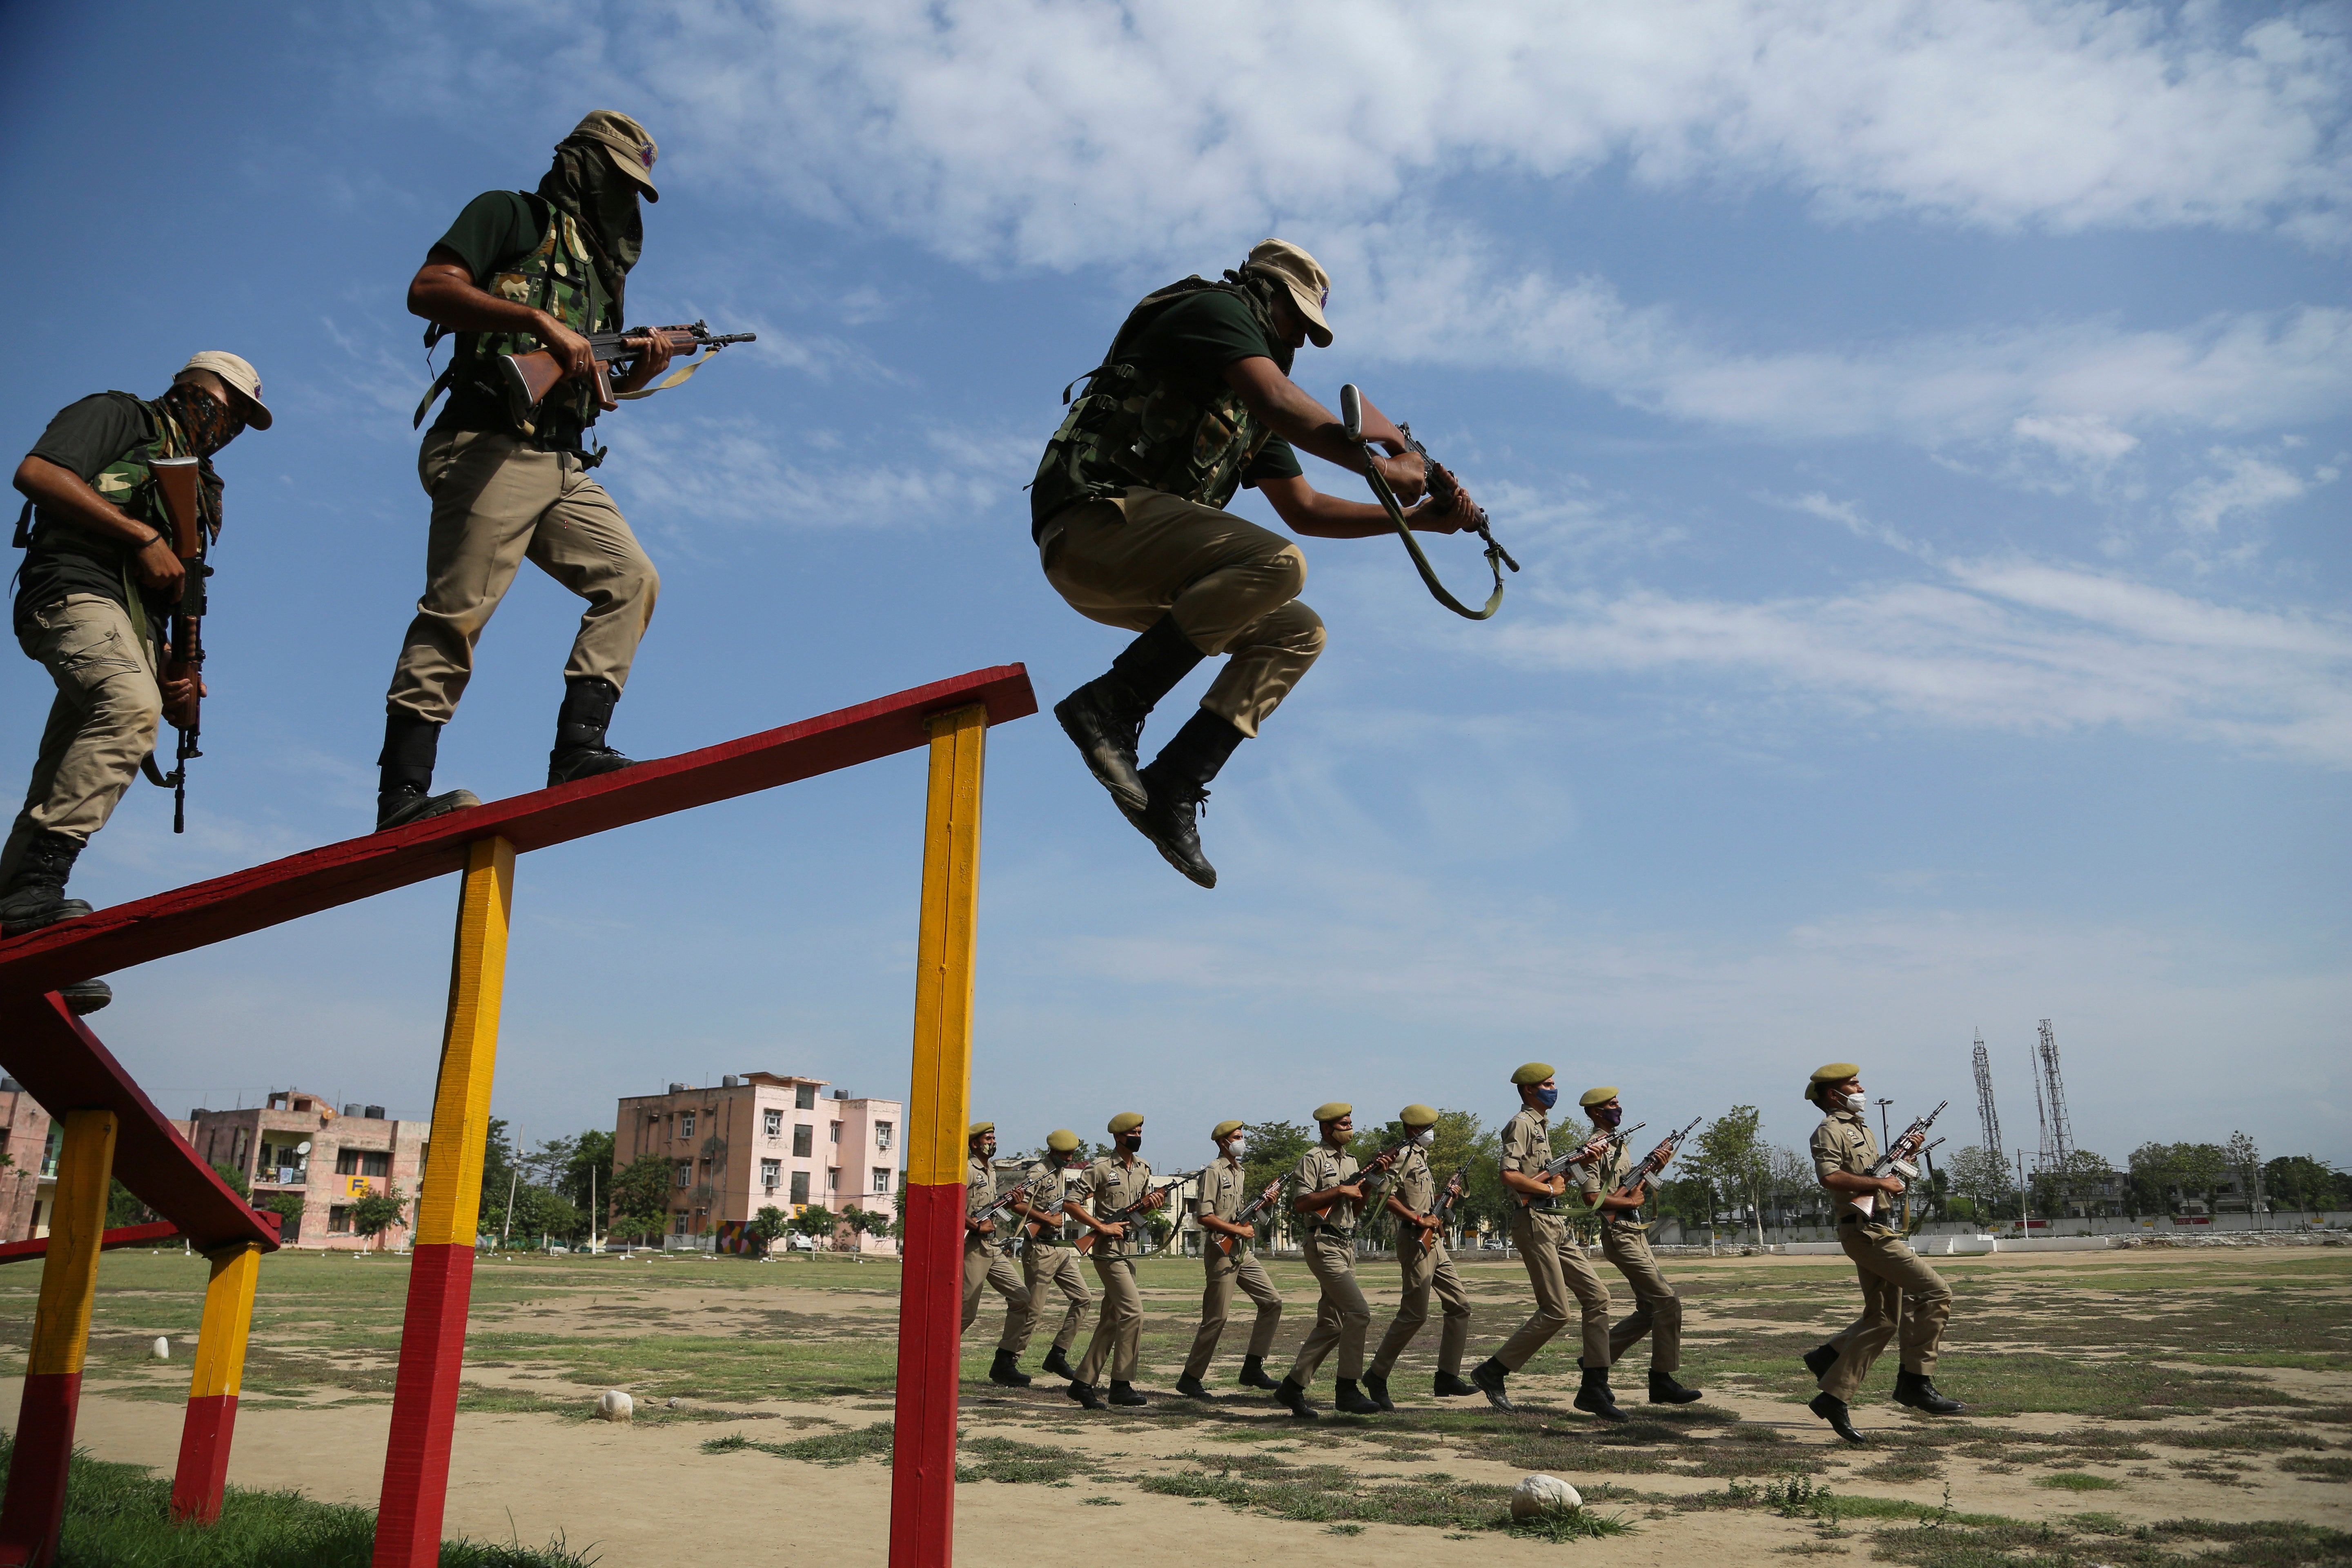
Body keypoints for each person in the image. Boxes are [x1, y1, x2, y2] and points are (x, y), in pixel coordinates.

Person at [1030, 238, 1481, 888]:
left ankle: (1174, 785)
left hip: (1143, 569)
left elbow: (1304, 508)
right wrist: (1386, 466)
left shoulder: (1248, 405)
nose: (1298, 340)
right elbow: (1278, 402)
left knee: (1301, 631)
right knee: (1280, 563)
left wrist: (1418, 521)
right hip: (1093, 524)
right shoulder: (1215, 311)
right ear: (1266, 294)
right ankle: (1111, 705)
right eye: (1296, 320)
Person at [376, 111, 677, 830]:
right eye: (614, 178)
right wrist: (540, 323)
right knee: (457, 613)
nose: (621, 196)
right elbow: (428, 289)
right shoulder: (510, 214)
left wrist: (643, 369)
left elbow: (593, 382)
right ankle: (401, 796)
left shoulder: (602, 274)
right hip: (489, 443)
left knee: (633, 580)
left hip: (560, 457)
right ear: (581, 165)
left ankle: (578, 750)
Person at [3, 352, 273, 1013]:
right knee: (127, 709)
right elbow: (36, 473)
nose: (230, 423)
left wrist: (183, 671)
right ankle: (33, 903)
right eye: (228, 405)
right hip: (73, 586)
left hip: (132, 623)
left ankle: (18, 923)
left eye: (242, 417)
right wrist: (137, 532)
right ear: (192, 389)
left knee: (67, 764)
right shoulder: (120, 414)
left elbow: (178, 592)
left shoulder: (203, 487)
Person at [1801, 1063, 1964, 1442]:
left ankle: (1831, 1388)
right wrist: (1879, 1181)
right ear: (1833, 1095)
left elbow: (1879, 1181)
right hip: (1865, 1233)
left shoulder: (1862, 1129)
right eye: (1853, 1084)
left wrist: (1902, 1166)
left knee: (1883, 1320)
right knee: (1936, 1292)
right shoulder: (1830, 1130)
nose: (1861, 1088)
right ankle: (1916, 1382)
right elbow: (1830, 1177)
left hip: (1876, 1227)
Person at [1469, 1062, 1624, 1420]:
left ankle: (1594, 1385)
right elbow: (1509, 1175)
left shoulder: (1541, 1126)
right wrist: (1546, 1188)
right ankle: (1493, 1371)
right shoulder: (1522, 1124)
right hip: (1536, 1222)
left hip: (1554, 1222)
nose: (1554, 1090)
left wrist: (1582, 1161)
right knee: (1556, 1310)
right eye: (1548, 1084)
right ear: (1528, 1090)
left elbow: (1554, 1175)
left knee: (1598, 1297)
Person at [1575, 1087, 1702, 1405]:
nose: (1618, 1108)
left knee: (1648, 1310)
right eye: (1611, 1105)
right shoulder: (1594, 1148)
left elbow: (1635, 1187)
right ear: (1595, 1112)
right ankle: (1662, 1380)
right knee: (1668, 1302)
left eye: (1618, 1103)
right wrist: (1629, 1199)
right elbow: (1593, 1199)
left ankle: (1597, 1357)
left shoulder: (1619, 1145)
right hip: (1620, 1235)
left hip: (1636, 1234)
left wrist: (1655, 1168)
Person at [1274, 1102, 1388, 1419]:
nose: (1349, 1129)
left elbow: (1356, 1209)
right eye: (1344, 1125)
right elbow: (1301, 1203)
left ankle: (1292, 1388)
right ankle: (1347, 1389)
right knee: (1359, 1313)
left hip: (1346, 1243)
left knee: (1332, 1324)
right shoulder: (1313, 1159)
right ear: (1327, 1129)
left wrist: (1369, 1181)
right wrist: (1339, 1189)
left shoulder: (1352, 1161)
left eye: (1351, 1123)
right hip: (1323, 1243)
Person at [1363, 1104, 1474, 1409]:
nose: (1433, 1133)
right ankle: (1377, 1375)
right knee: (1414, 1314)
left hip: (1434, 1241)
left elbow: (1422, 1202)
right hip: (1415, 1240)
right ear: (1415, 1130)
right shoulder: (1400, 1156)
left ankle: (1447, 1377)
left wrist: (1443, 1202)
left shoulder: (1420, 1157)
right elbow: (1387, 1197)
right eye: (1429, 1128)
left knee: (1460, 1305)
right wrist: (1418, 1219)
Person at [1062, 1112, 1165, 1410]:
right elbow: (1071, 1203)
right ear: (1119, 1136)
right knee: (1134, 1313)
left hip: (1129, 1250)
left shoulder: (1143, 1168)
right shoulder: (1101, 1168)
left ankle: (1082, 1384)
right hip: (1107, 1250)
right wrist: (1102, 1227)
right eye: (1134, 1131)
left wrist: (1151, 1205)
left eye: (1141, 1130)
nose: (1139, 1135)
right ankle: (1121, 1384)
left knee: (1112, 1318)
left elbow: (1139, 1214)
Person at [1177, 1119, 1284, 1399]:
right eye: (1237, 1137)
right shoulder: (1214, 1171)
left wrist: (1266, 1204)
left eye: (1242, 1136)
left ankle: (1253, 1368)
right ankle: (1190, 1378)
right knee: (1217, 1317)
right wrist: (1238, 1229)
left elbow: (1240, 1214)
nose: (1242, 1141)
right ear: (1223, 1142)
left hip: (1242, 1252)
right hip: (1220, 1251)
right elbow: (1205, 1216)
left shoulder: (1239, 1172)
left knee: (1272, 1302)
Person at [1011, 1129, 1094, 1381]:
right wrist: (1045, 1218)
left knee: (1084, 1298)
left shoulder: (1060, 1173)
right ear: (1054, 1151)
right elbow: (1017, 1204)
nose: (1070, 1159)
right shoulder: (1038, 1172)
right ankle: (1009, 1360)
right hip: (1039, 1248)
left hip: (1059, 1248)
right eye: (1065, 1154)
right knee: (1033, 1310)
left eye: (1072, 1154)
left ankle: (1058, 1354)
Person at [962, 1122, 1034, 1387]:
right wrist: (977, 1225)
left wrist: (1011, 1201)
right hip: (973, 1248)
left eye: (994, 1138)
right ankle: (933, 1362)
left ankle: (1004, 1364)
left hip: (993, 1248)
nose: (992, 1142)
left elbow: (987, 1207)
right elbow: (955, 1207)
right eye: (988, 1138)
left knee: (1022, 1299)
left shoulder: (990, 1170)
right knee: (964, 1313)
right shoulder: (968, 1170)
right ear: (974, 1144)